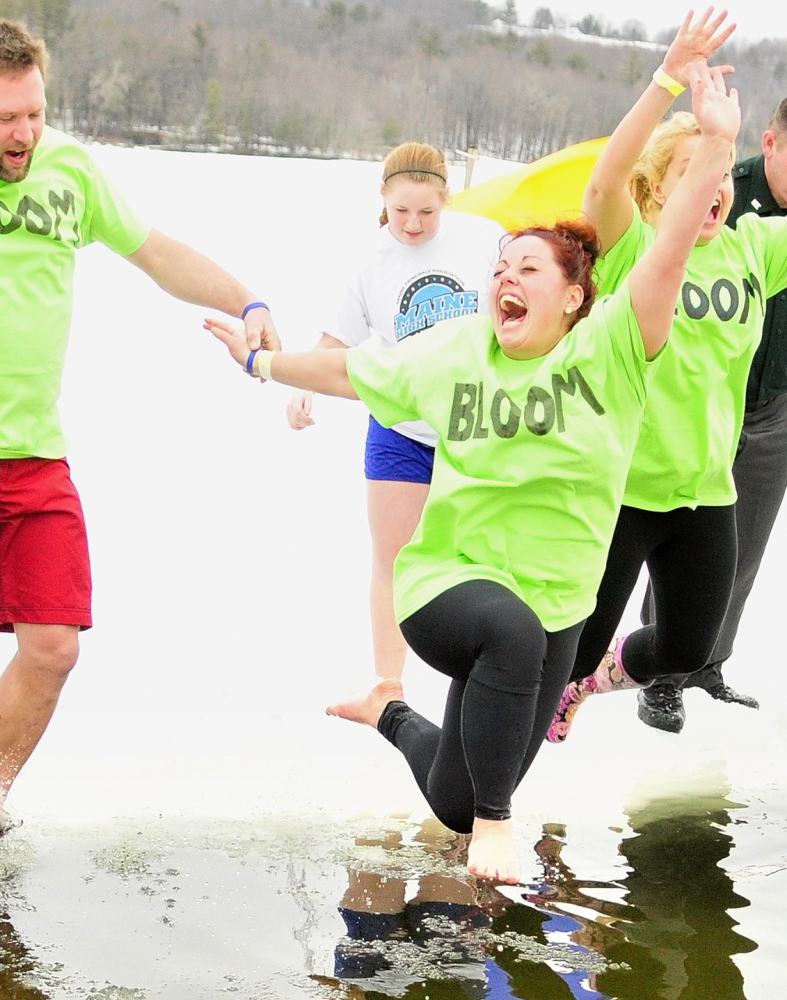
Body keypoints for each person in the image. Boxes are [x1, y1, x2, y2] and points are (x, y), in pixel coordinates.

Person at [207, 60, 740, 882]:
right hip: (447, 586)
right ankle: (499, 825)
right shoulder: (456, 350)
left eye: (528, 269)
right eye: (499, 271)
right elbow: (350, 372)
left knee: (454, 794)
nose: (504, 281)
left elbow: (667, 253)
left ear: (574, 298)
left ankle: (392, 719)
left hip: (558, 603)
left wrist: (716, 144)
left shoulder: (615, 352)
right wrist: (263, 367)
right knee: (504, 655)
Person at [0, 16, 278, 885]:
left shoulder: (68, 172)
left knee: (54, 647)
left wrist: (249, 297)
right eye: (6, 120)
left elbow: (153, 252)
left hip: (33, 451)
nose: (26, 135)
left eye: (36, 113)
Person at [548, 11, 787, 743]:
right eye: (693, 173)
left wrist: (719, 143)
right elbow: (606, 180)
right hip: (620, 487)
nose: (714, 183)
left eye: (720, 171)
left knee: (684, 650)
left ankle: (595, 680)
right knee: (572, 644)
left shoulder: (754, 249)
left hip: (704, 491)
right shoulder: (631, 248)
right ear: (657, 194)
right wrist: (665, 80)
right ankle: (498, 780)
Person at [286, 143, 503, 680]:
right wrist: (299, 386)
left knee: (481, 562)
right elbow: (336, 340)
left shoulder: (484, 238)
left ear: (446, 200)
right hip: (398, 426)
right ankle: (388, 682)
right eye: (401, 211)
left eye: (427, 212)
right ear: (383, 200)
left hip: (474, 425)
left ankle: (488, 672)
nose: (413, 224)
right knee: (393, 560)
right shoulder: (368, 261)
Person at [636, 96, 787, 732]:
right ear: (772, 143)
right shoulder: (727, 191)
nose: (713, 185)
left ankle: (707, 663)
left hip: (770, 403)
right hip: (686, 414)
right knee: (674, 541)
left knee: (741, 546)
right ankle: (657, 676)